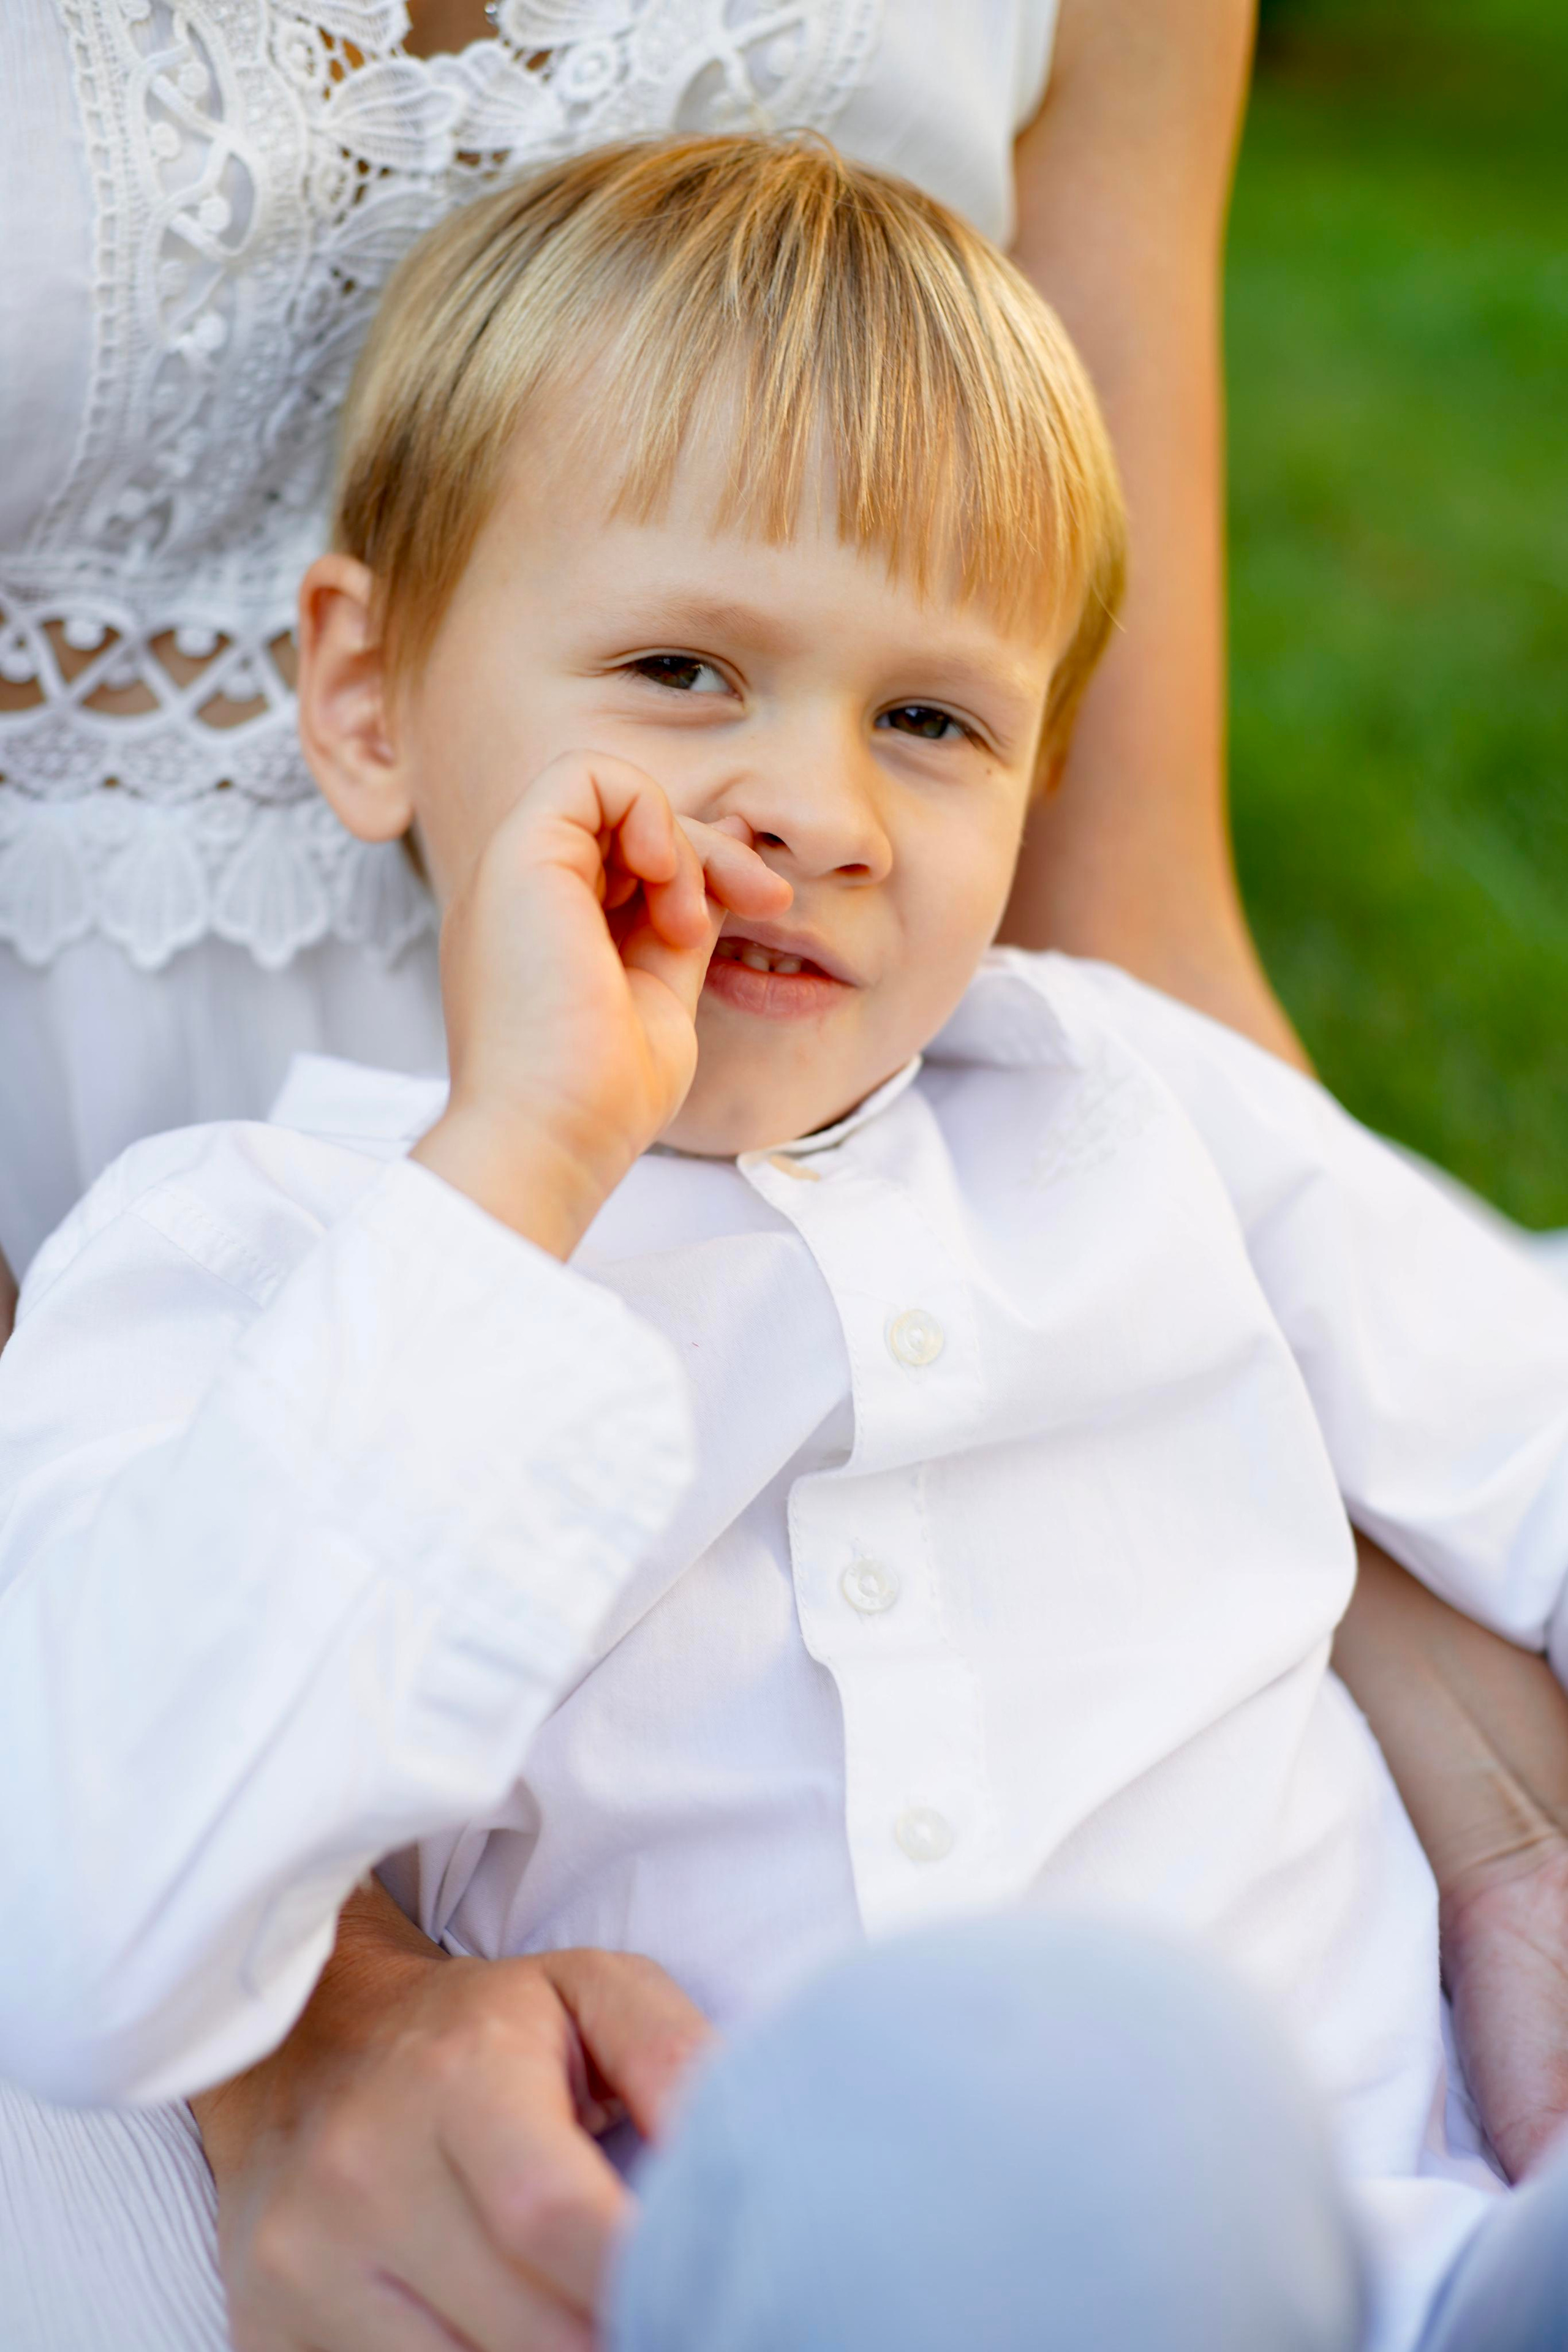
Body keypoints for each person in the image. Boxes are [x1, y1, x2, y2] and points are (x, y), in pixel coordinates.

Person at [4, 0, 1568, 2324]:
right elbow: (99, 1921)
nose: (816, 815)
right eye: (682, 672)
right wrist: (520, 1170)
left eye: (931, 720)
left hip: (1400, 2252)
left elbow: (1527, 1434)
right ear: (368, 699)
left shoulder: (1131, 1112)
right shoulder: (235, 1261)